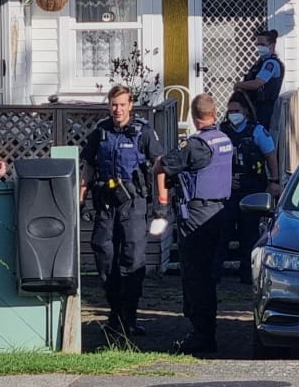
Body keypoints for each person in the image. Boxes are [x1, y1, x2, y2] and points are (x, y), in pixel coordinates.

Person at [79, 84, 167, 338]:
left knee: (131, 261)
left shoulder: (143, 132)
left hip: (134, 205)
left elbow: (160, 167)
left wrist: (161, 204)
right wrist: (81, 199)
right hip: (106, 205)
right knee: (104, 257)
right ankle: (115, 313)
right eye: (113, 105)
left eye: (122, 104)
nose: (117, 109)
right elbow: (89, 167)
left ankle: (129, 316)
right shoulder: (101, 132)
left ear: (130, 105)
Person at [153, 93, 233, 354]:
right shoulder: (224, 140)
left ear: (193, 117)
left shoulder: (197, 146)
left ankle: (202, 335)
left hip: (197, 216)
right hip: (220, 212)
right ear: (215, 112)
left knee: (196, 277)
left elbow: (162, 166)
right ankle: (205, 330)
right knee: (208, 276)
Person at [214, 90, 282, 284]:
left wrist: (274, 181)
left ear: (245, 111)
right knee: (222, 232)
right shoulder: (222, 130)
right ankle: (215, 274)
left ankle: (247, 275)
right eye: (230, 111)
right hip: (228, 189)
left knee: (249, 233)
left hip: (252, 188)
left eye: (236, 110)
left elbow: (270, 156)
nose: (233, 114)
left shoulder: (257, 131)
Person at [233, 29, 284, 133]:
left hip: (264, 108)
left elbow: (258, 83)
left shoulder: (271, 64)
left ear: (272, 45)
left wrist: (239, 85)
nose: (259, 47)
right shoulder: (261, 62)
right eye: (257, 44)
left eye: (262, 44)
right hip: (255, 107)